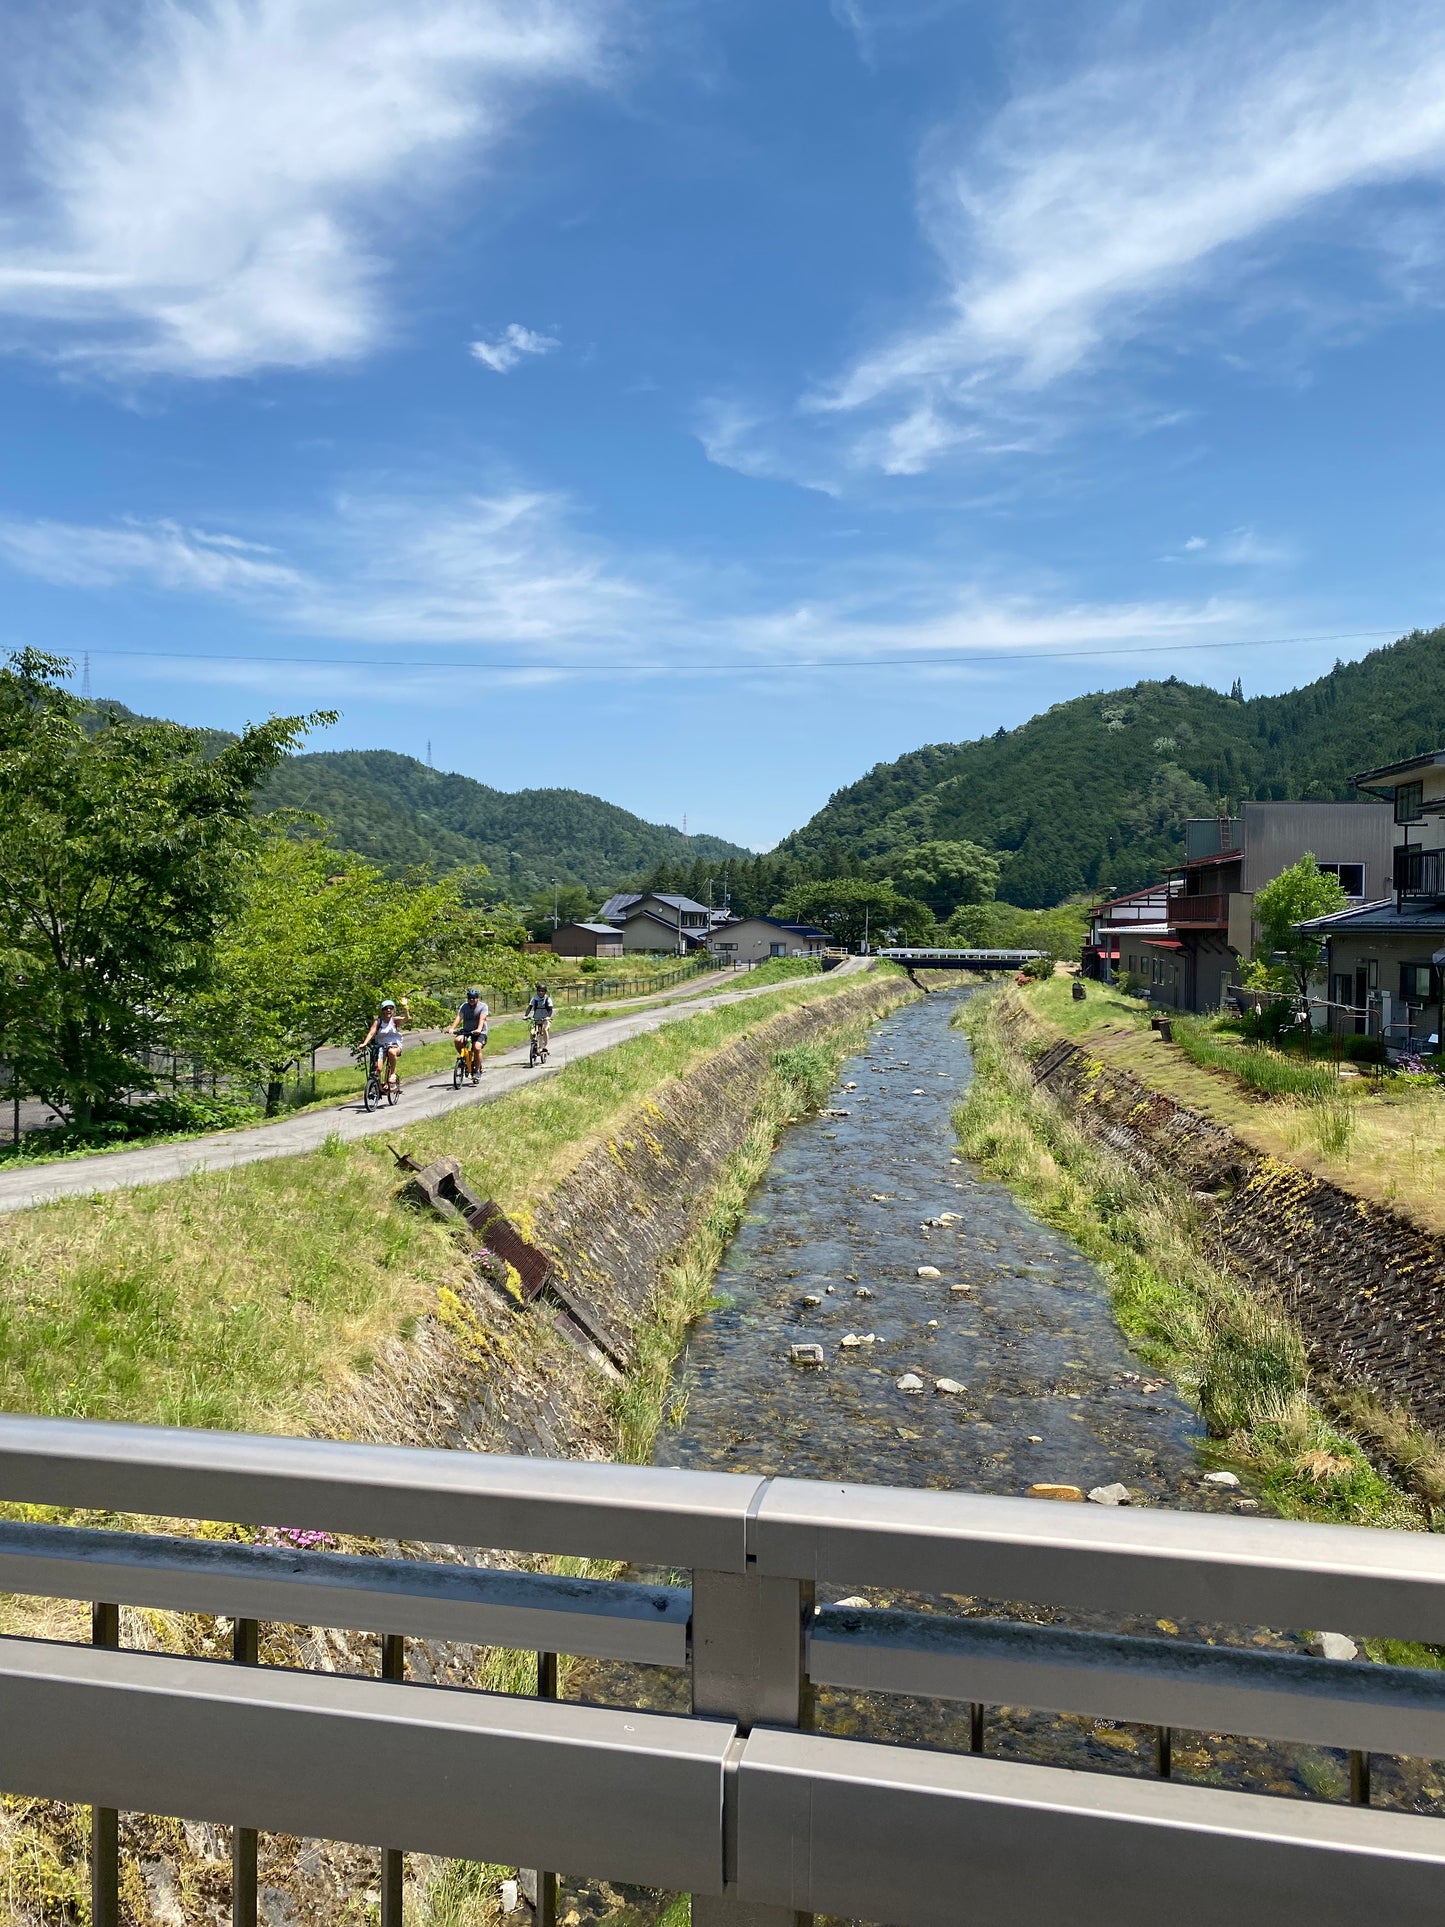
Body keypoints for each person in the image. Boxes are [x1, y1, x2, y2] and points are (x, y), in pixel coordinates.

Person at [360, 997, 407, 1097]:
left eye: (390, 1008)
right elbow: (371, 1033)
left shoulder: (395, 1021)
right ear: (382, 1011)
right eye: (386, 1008)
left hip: (395, 1045)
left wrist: (405, 1007)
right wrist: (365, 1043)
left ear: (393, 1010)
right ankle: (379, 1088)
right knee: (378, 1068)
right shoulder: (378, 1022)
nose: (388, 1010)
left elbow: (406, 1018)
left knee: (391, 1052)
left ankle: (393, 1075)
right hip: (381, 1047)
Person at [449, 987, 490, 1082]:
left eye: (474, 998)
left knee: (477, 1047)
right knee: (457, 1040)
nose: (471, 999)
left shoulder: (483, 1006)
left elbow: (482, 1019)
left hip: (480, 1032)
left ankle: (477, 1070)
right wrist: (452, 1028)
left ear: (477, 998)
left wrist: (479, 1029)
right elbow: (459, 1017)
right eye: (469, 998)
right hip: (467, 1031)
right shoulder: (464, 1006)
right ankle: (465, 1062)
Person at [525, 981, 554, 1053]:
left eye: (542, 991)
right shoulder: (534, 998)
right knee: (532, 1032)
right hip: (536, 1018)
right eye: (539, 991)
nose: (540, 992)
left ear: (545, 992)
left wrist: (548, 1017)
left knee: (544, 1029)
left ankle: (544, 1046)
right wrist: (526, 1015)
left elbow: (550, 1010)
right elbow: (530, 1007)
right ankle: (533, 1044)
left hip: (545, 1018)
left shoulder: (548, 999)